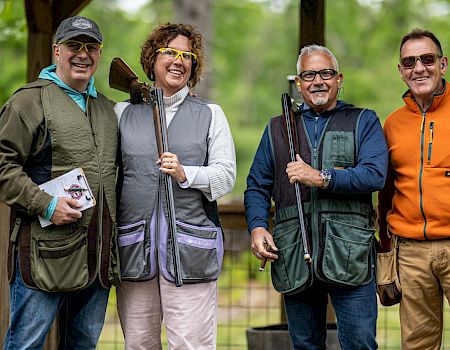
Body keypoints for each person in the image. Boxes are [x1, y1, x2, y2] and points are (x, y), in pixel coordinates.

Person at [244, 44, 388, 349]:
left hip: (351, 253)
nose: (317, 81)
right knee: (305, 345)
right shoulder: (277, 128)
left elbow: (375, 174)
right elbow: (257, 185)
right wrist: (257, 226)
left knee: (360, 343)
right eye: (308, 75)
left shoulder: (364, 120)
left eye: (325, 73)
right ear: (298, 83)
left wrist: (322, 178)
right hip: (294, 251)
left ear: (339, 78)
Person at [114, 23, 236, 349]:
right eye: (169, 52)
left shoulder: (211, 114)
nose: (178, 61)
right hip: (133, 253)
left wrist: (186, 174)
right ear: (151, 59)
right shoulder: (122, 112)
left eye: (186, 55)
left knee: (190, 345)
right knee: (139, 345)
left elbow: (225, 177)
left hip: (190, 253)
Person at [0, 16, 119, 349]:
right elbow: (2, 165)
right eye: (73, 46)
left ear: (99, 53)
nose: (82, 54)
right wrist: (46, 204)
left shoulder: (107, 109)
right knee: (26, 344)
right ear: (56, 51)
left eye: (91, 47)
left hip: (96, 260)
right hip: (44, 256)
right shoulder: (28, 101)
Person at [378, 28, 450, 349]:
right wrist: (385, 248)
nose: (418, 68)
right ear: (400, 70)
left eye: (427, 59)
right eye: (409, 62)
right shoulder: (392, 124)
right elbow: (385, 194)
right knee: (418, 344)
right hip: (410, 252)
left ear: (443, 64)